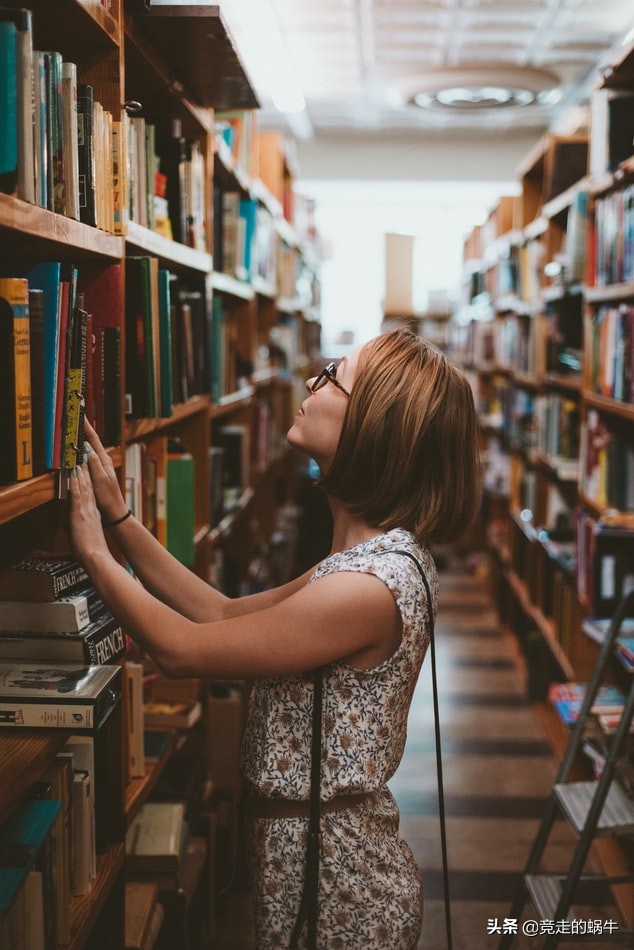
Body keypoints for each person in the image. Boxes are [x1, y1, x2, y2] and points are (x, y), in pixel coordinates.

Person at [69, 326, 481, 949]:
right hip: (311, 860)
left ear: (373, 428)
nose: (312, 381)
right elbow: (220, 613)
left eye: (334, 376)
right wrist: (121, 522)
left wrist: (94, 556)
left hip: (342, 886)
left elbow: (181, 651)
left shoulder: (368, 586)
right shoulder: (366, 559)